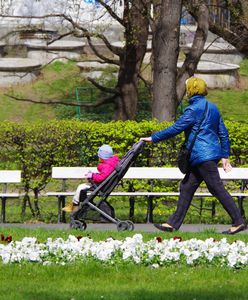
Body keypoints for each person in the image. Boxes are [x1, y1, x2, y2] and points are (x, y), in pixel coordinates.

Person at [140, 77, 246, 235]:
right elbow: (223, 133)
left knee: (216, 188)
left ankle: (238, 221)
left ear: (191, 90)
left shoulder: (193, 109)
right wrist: (225, 155)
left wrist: (153, 138)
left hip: (201, 156)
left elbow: (176, 128)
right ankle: (172, 224)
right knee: (187, 187)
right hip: (207, 156)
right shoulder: (213, 107)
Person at [62, 144, 119, 213]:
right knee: (82, 187)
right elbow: (104, 176)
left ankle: (75, 206)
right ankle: (84, 204)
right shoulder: (111, 164)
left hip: (101, 186)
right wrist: (94, 175)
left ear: (102, 157)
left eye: (99, 156)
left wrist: (92, 176)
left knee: (80, 187)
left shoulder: (107, 166)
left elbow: (102, 177)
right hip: (103, 185)